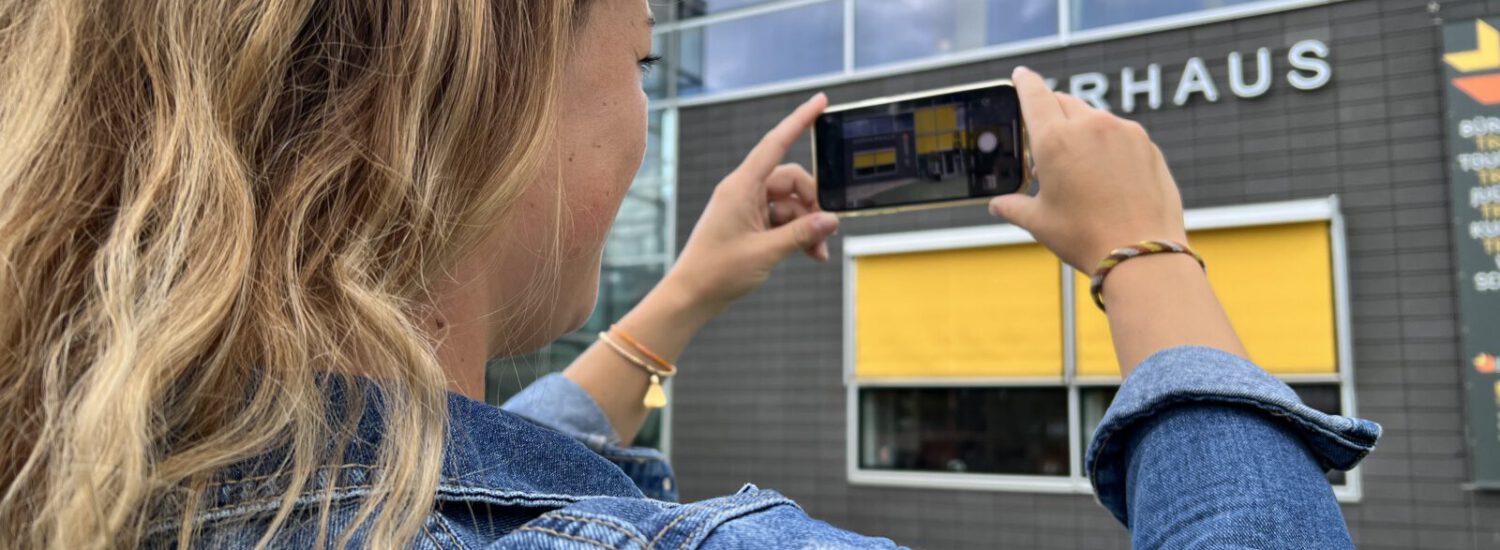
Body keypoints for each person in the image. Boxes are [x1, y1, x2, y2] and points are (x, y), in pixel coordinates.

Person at [0, 0, 1379, 548]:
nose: (644, 118)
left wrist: (687, 291)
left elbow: (430, 474)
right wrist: (1149, 254)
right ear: (480, 93)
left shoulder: (124, 471)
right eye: (640, 66)